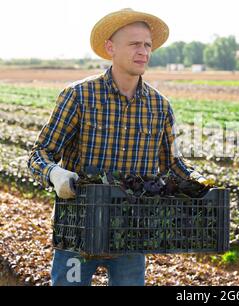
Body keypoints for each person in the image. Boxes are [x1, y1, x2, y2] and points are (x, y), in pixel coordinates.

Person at [27, 8, 206, 286]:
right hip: (79, 231)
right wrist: (54, 174)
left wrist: (198, 181)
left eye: (147, 45)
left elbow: (173, 164)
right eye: (134, 44)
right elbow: (40, 153)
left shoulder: (159, 106)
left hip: (130, 233)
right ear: (110, 47)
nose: (143, 51)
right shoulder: (79, 96)